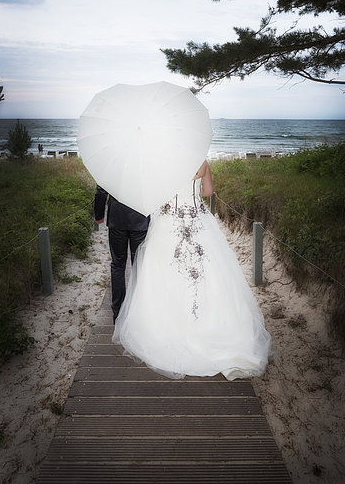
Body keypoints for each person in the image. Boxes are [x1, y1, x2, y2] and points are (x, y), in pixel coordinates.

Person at [112, 160, 272, 381]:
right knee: (210, 273)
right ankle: (213, 330)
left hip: (169, 224)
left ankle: (169, 331)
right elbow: (208, 191)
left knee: (165, 273)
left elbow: (153, 197)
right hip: (199, 220)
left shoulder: (164, 163)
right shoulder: (201, 161)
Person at [94, 185, 149, 322]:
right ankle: (139, 310)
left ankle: (118, 312)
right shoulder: (145, 164)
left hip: (117, 218)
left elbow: (101, 191)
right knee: (139, 266)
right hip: (140, 218)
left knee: (118, 264)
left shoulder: (113, 164)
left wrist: (99, 214)